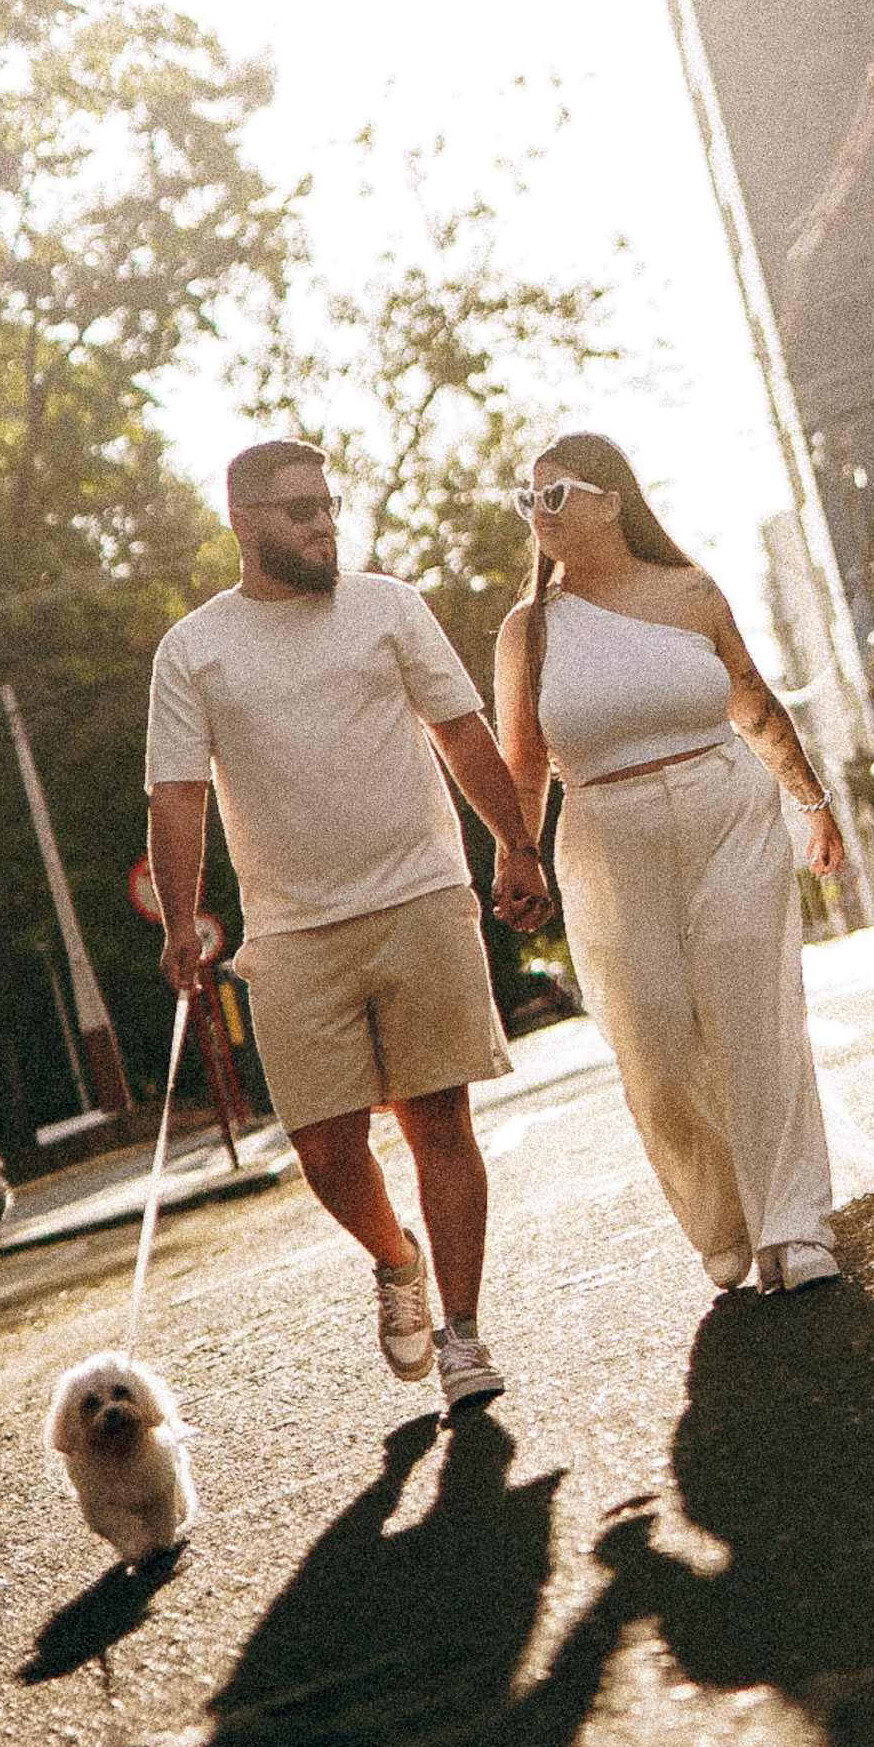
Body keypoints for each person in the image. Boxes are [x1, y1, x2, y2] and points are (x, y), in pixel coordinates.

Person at [146, 438, 554, 1413]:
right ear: (244, 522)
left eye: (328, 505)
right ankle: (396, 1258)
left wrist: (517, 846)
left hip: (419, 895)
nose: (323, 524)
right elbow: (177, 796)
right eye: (299, 510)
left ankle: (462, 1334)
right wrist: (178, 922)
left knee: (437, 1120)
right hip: (289, 931)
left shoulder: (387, 607)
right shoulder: (193, 649)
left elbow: (459, 731)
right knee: (324, 1148)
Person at [494, 432, 847, 1296]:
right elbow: (523, 761)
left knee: (754, 1014)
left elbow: (754, 704)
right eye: (527, 499)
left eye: (555, 494)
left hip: (727, 812)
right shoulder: (528, 631)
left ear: (613, 502)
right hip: (605, 838)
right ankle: (723, 1218)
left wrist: (811, 800)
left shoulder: (692, 592)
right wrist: (517, 854)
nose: (538, 513)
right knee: (650, 1036)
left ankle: (793, 1222)